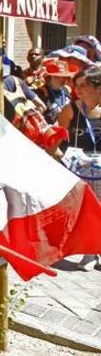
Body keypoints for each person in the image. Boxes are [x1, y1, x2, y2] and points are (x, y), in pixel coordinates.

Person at [68, 66, 101, 270]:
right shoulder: (72, 108)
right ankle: (89, 254)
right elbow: (59, 133)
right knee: (86, 211)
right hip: (80, 169)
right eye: (76, 85)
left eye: (83, 85)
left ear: (98, 88)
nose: (78, 90)